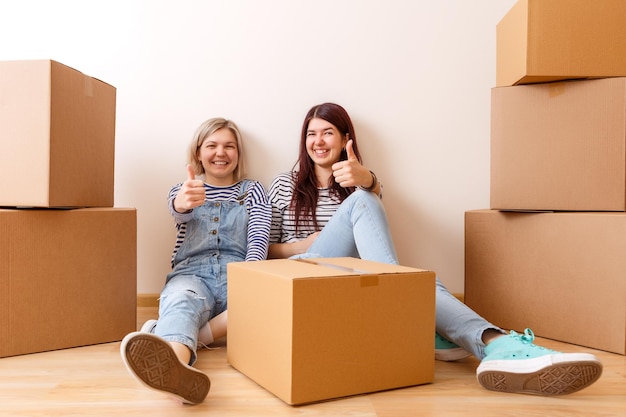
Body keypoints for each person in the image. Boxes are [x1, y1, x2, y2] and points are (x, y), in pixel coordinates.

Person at [267, 102, 603, 396]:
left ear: (345, 141)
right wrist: (303, 245)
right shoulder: (285, 183)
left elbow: (373, 200)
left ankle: (490, 342)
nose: (318, 141)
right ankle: (472, 335)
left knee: (419, 274)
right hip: (303, 272)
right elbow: (265, 252)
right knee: (372, 219)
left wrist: (366, 178)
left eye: (327, 133)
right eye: (312, 134)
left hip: (348, 284)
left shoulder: (359, 183)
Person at [120, 117, 271, 404]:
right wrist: (183, 200)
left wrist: (250, 283)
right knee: (182, 300)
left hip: (237, 273)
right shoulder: (183, 189)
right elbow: (178, 210)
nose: (221, 153)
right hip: (192, 275)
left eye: (229, 146)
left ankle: (162, 334)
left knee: (265, 305)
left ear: (238, 153)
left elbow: (258, 240)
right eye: (212, 145)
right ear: (198, 152)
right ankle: (178, 370)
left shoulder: (254, 191)